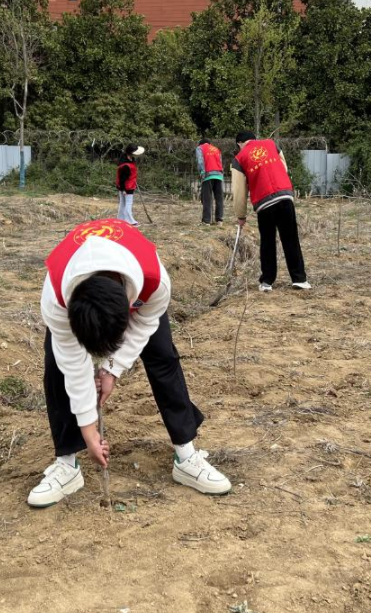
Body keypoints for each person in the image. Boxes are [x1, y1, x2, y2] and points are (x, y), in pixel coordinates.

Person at [28, 217, 232, 507]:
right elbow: (73, 364)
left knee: (163, 356)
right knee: (56, 368)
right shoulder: (56, 298)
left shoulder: (155, 282)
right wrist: (89, 430)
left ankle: (186, 455)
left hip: (137, 289)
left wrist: (113, 368)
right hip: (75, 301)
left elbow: (145, 324)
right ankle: (66, 464)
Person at [231, 131, 311, 292]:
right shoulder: (271, 144)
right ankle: (300, 279)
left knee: (267, 241)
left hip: (264, 201)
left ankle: (267, 281)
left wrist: (241, 215)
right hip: (284, 195)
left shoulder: (239, 159)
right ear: (254, 139)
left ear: (239, 144)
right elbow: (284, 167)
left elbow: (239, 190)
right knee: (290, 238)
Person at [196, 138, 225, 225]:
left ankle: (206, 221)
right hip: (219, 174)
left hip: (208, 174)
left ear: (200, 144)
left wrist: (202, 172)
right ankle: (219, 220)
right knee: (219, 198)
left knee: (207, 198)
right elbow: (220, 161)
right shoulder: (216, 149)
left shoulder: (200, 148)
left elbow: (200, 161)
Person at [115, 145, 144, 227]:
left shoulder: (130, 159)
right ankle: (130, 222)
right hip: (127, 187)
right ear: (130, 153)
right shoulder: (125, 166)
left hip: (128, 185)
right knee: (128, 204)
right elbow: (122, 179)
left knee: (123, 203)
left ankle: (121, 220)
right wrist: (123, 189)